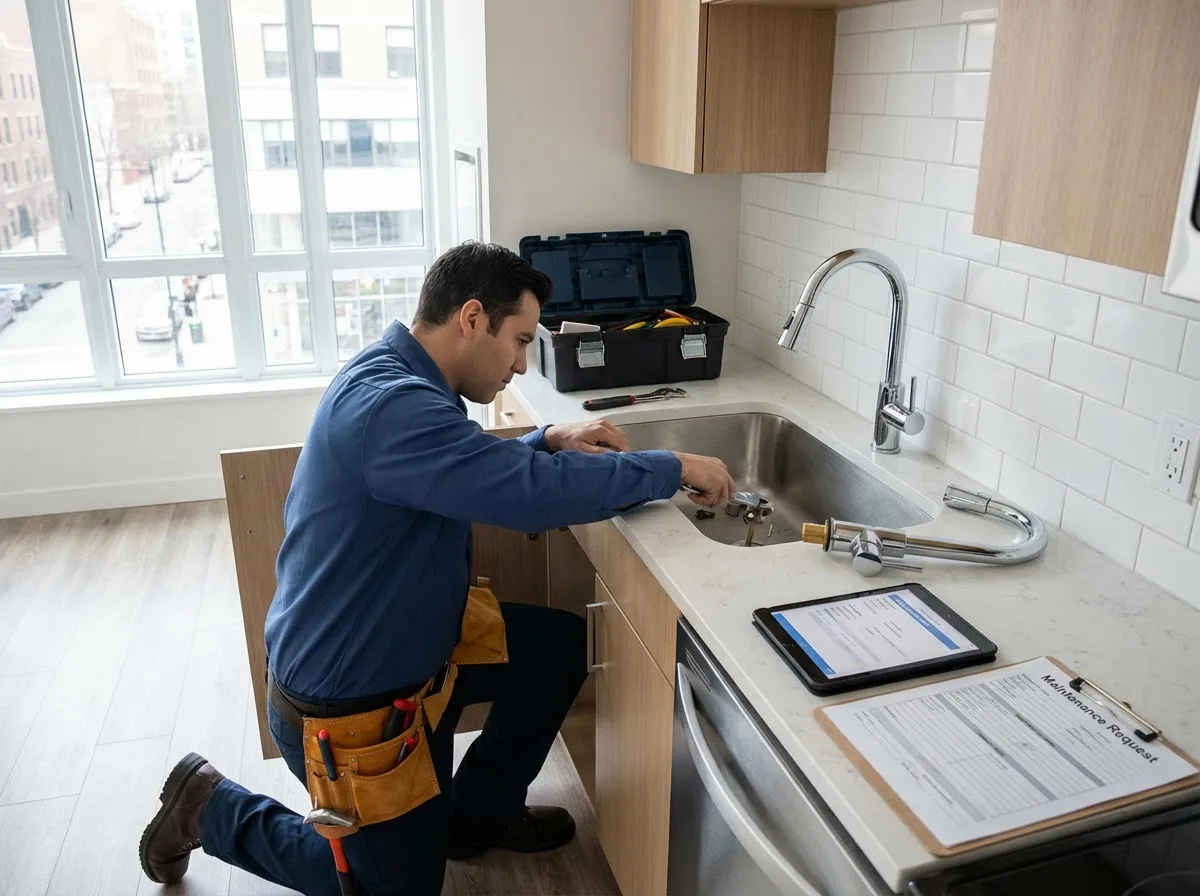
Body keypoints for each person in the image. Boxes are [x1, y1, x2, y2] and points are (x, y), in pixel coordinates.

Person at [138, 242, 735, 895]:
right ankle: (209, 807)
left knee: (560, 649)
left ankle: (473, 820)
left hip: (416, 646)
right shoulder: (393, 407)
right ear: (471, 318)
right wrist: (671, 467)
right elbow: (523, 494)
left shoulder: (401, 376)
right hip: (351, 702)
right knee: (387, 888)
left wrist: (545, 440)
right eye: (518, 340)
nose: (520, 363)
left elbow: (461, 466)